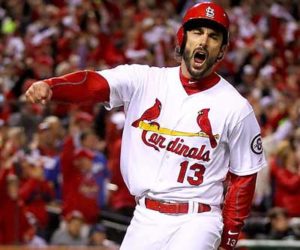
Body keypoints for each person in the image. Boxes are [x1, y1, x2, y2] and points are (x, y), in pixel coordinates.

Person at [25, 2, 266, 250]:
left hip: (198, 219)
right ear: (182, 38)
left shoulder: (236, 107)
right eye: (197, 32)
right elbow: (95, 83)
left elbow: (244, 176)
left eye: (213, 36)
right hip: (144, 217)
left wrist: (229, 239)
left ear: (222, 50)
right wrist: (53, 86)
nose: (204, 41)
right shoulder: (145, 80)